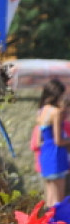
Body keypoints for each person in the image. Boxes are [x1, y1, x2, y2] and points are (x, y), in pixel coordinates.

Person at [34, 78, 70, 207]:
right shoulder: (56, 112)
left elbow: (38, 142)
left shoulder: (41, 111)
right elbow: (58, 140)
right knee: (58, 199)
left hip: (45, 155)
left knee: (49, 199)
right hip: (56, 155)